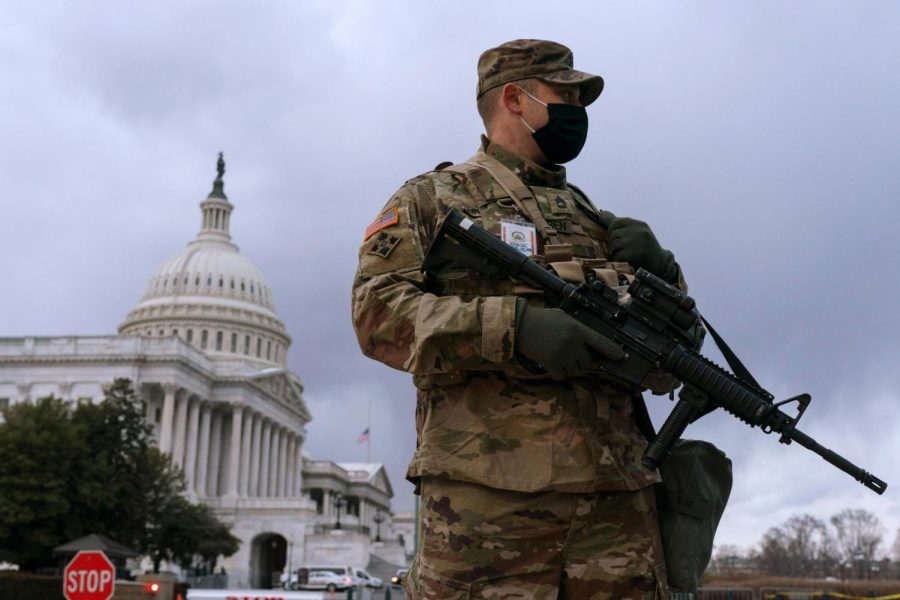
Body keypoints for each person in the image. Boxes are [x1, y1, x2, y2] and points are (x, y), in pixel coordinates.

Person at [352, 39, 689, 599]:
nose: (577, 114)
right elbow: (376, 314)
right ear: (515, 98)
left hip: (616, 503)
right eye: (566, 97)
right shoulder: (433, 200)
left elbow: (673, 353)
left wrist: (667, 273)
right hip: (490, 504)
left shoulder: (595, 220)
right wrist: (515, 328)